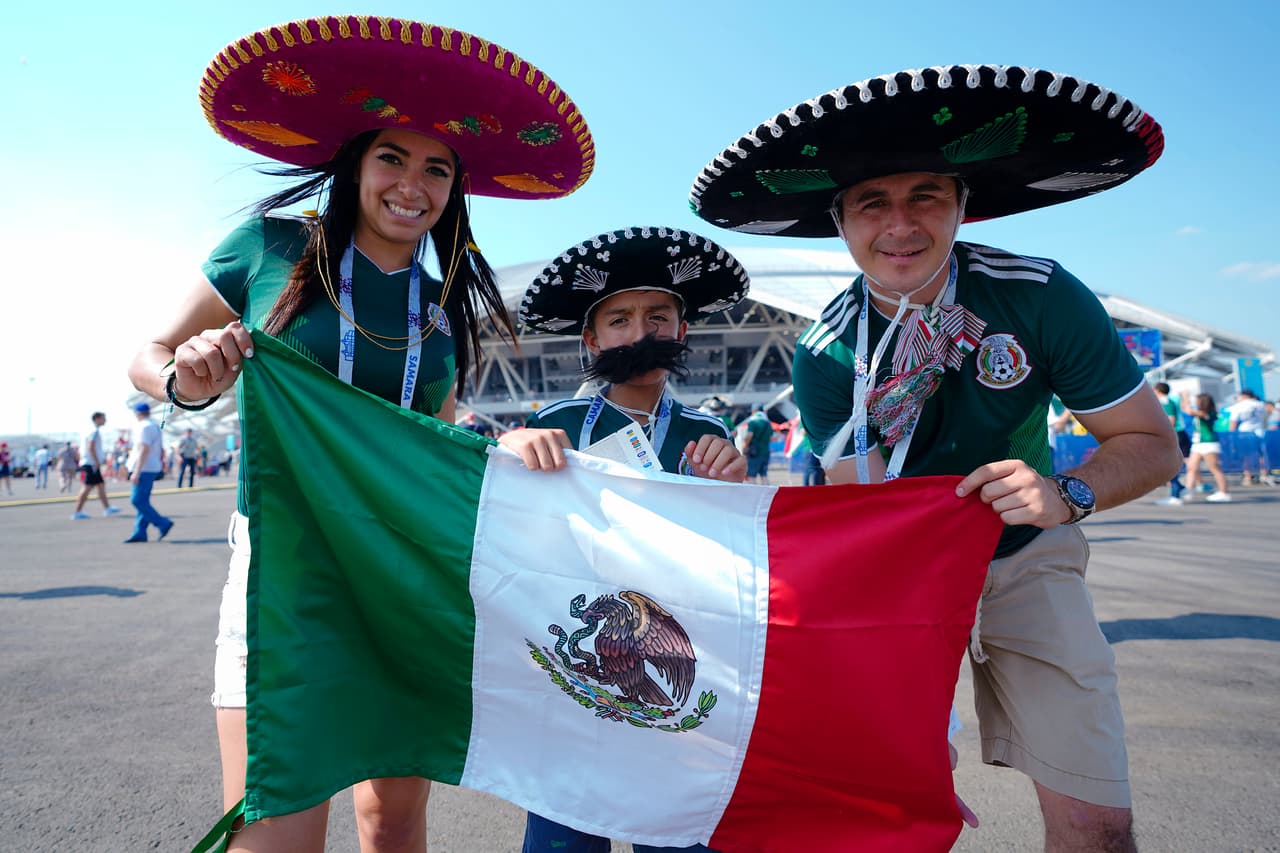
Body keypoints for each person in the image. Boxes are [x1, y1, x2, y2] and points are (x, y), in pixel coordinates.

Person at [126, 16, 593, 852]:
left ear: (455, 189)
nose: (413, 184)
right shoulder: (268, 248)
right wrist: (182, 377)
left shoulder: (444, 314)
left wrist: (503, 446)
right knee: (278, 826)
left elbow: (432, 447)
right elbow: (149, 353)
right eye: (393, 157)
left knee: (394, 817)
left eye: (437, 169)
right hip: (285, 573)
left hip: (401, 576)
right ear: (354, 166)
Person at [689, 64, 1181, 851]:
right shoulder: (823, 354)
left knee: (1098, 823)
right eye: (872, 202)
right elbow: (860, 507)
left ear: (962, 203)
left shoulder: (1040, 294)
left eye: (925, 194)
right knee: (885, 813)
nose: (900, 224)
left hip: (1026, 555)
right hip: (903, 577)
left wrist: (1067, 494)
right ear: (841, 222)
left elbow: (1152, 443)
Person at [507, 225, 749, 853]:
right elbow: (509, 529)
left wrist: (733, 485)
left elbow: (728, 552)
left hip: (675, 669)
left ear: (683, 331)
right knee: (563, 836)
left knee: (672, 834)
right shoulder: (552, 424)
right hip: (572, 673)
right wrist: (504, 452)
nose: (640, 333)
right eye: (619, 319)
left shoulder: (707, 431)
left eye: (658, 317)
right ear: (591, 338)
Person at [123, 402, 173, 543]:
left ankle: (162, 523)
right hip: (150, 467)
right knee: (143, 501)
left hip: (144, 468)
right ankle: (140, 532)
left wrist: (136, 472)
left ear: (137, 414)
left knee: (137, 500)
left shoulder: (144, 427)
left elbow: (144, 449)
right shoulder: (153, 425)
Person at [71, 412, 122, 519]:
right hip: (91, 463)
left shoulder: (89, 431)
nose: (105, 420)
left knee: (100, 485)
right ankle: (77, 512)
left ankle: (107, 508)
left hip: (89, 462)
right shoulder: (93, 431)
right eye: (104, 418)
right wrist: (96, 461)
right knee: (87, 487)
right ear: (97, 418)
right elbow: (91, 447)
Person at [1184, 392, 1232, 501]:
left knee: (1214, 468)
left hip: (1209, 443)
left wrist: (1186, 398)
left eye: (1198, 400)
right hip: (1197, 444)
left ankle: (1224, 492)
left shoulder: (1210, 413)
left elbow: (1189, 411)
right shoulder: (1201, 412)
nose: (1196, 402)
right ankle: (1188, 490)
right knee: (1191, 467)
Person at [1153, 382, 1190, 505]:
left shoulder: (1166, 402)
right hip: (1176, 434)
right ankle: (1180, 489)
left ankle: (1176, 494)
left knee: (1168, 464)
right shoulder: (1166, 401)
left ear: (1158, 390)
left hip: (1174, 435)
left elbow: (1171, 421)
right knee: (1166, 465)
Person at [1228, 389, 1273, 486]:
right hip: (1260, 431)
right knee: (1262, 455)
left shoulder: (1239, 406)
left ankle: (1248, 477)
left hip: (1245, 432)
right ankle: (1264, 475)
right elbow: (1266, 418)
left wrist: (1231, 435)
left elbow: (1233, 422)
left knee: (1246, 455)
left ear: (1244, 396)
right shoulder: (1261, 405)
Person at [739, 405, 774, 484]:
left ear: (753, 411)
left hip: (754, 453)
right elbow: (771, 438)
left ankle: (753, 495)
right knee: (764, 475)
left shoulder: (753, 422)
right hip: (766, 452)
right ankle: (768, 495)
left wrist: (744, 446)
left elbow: (749, 435)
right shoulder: (767, 423)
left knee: (752, 476)